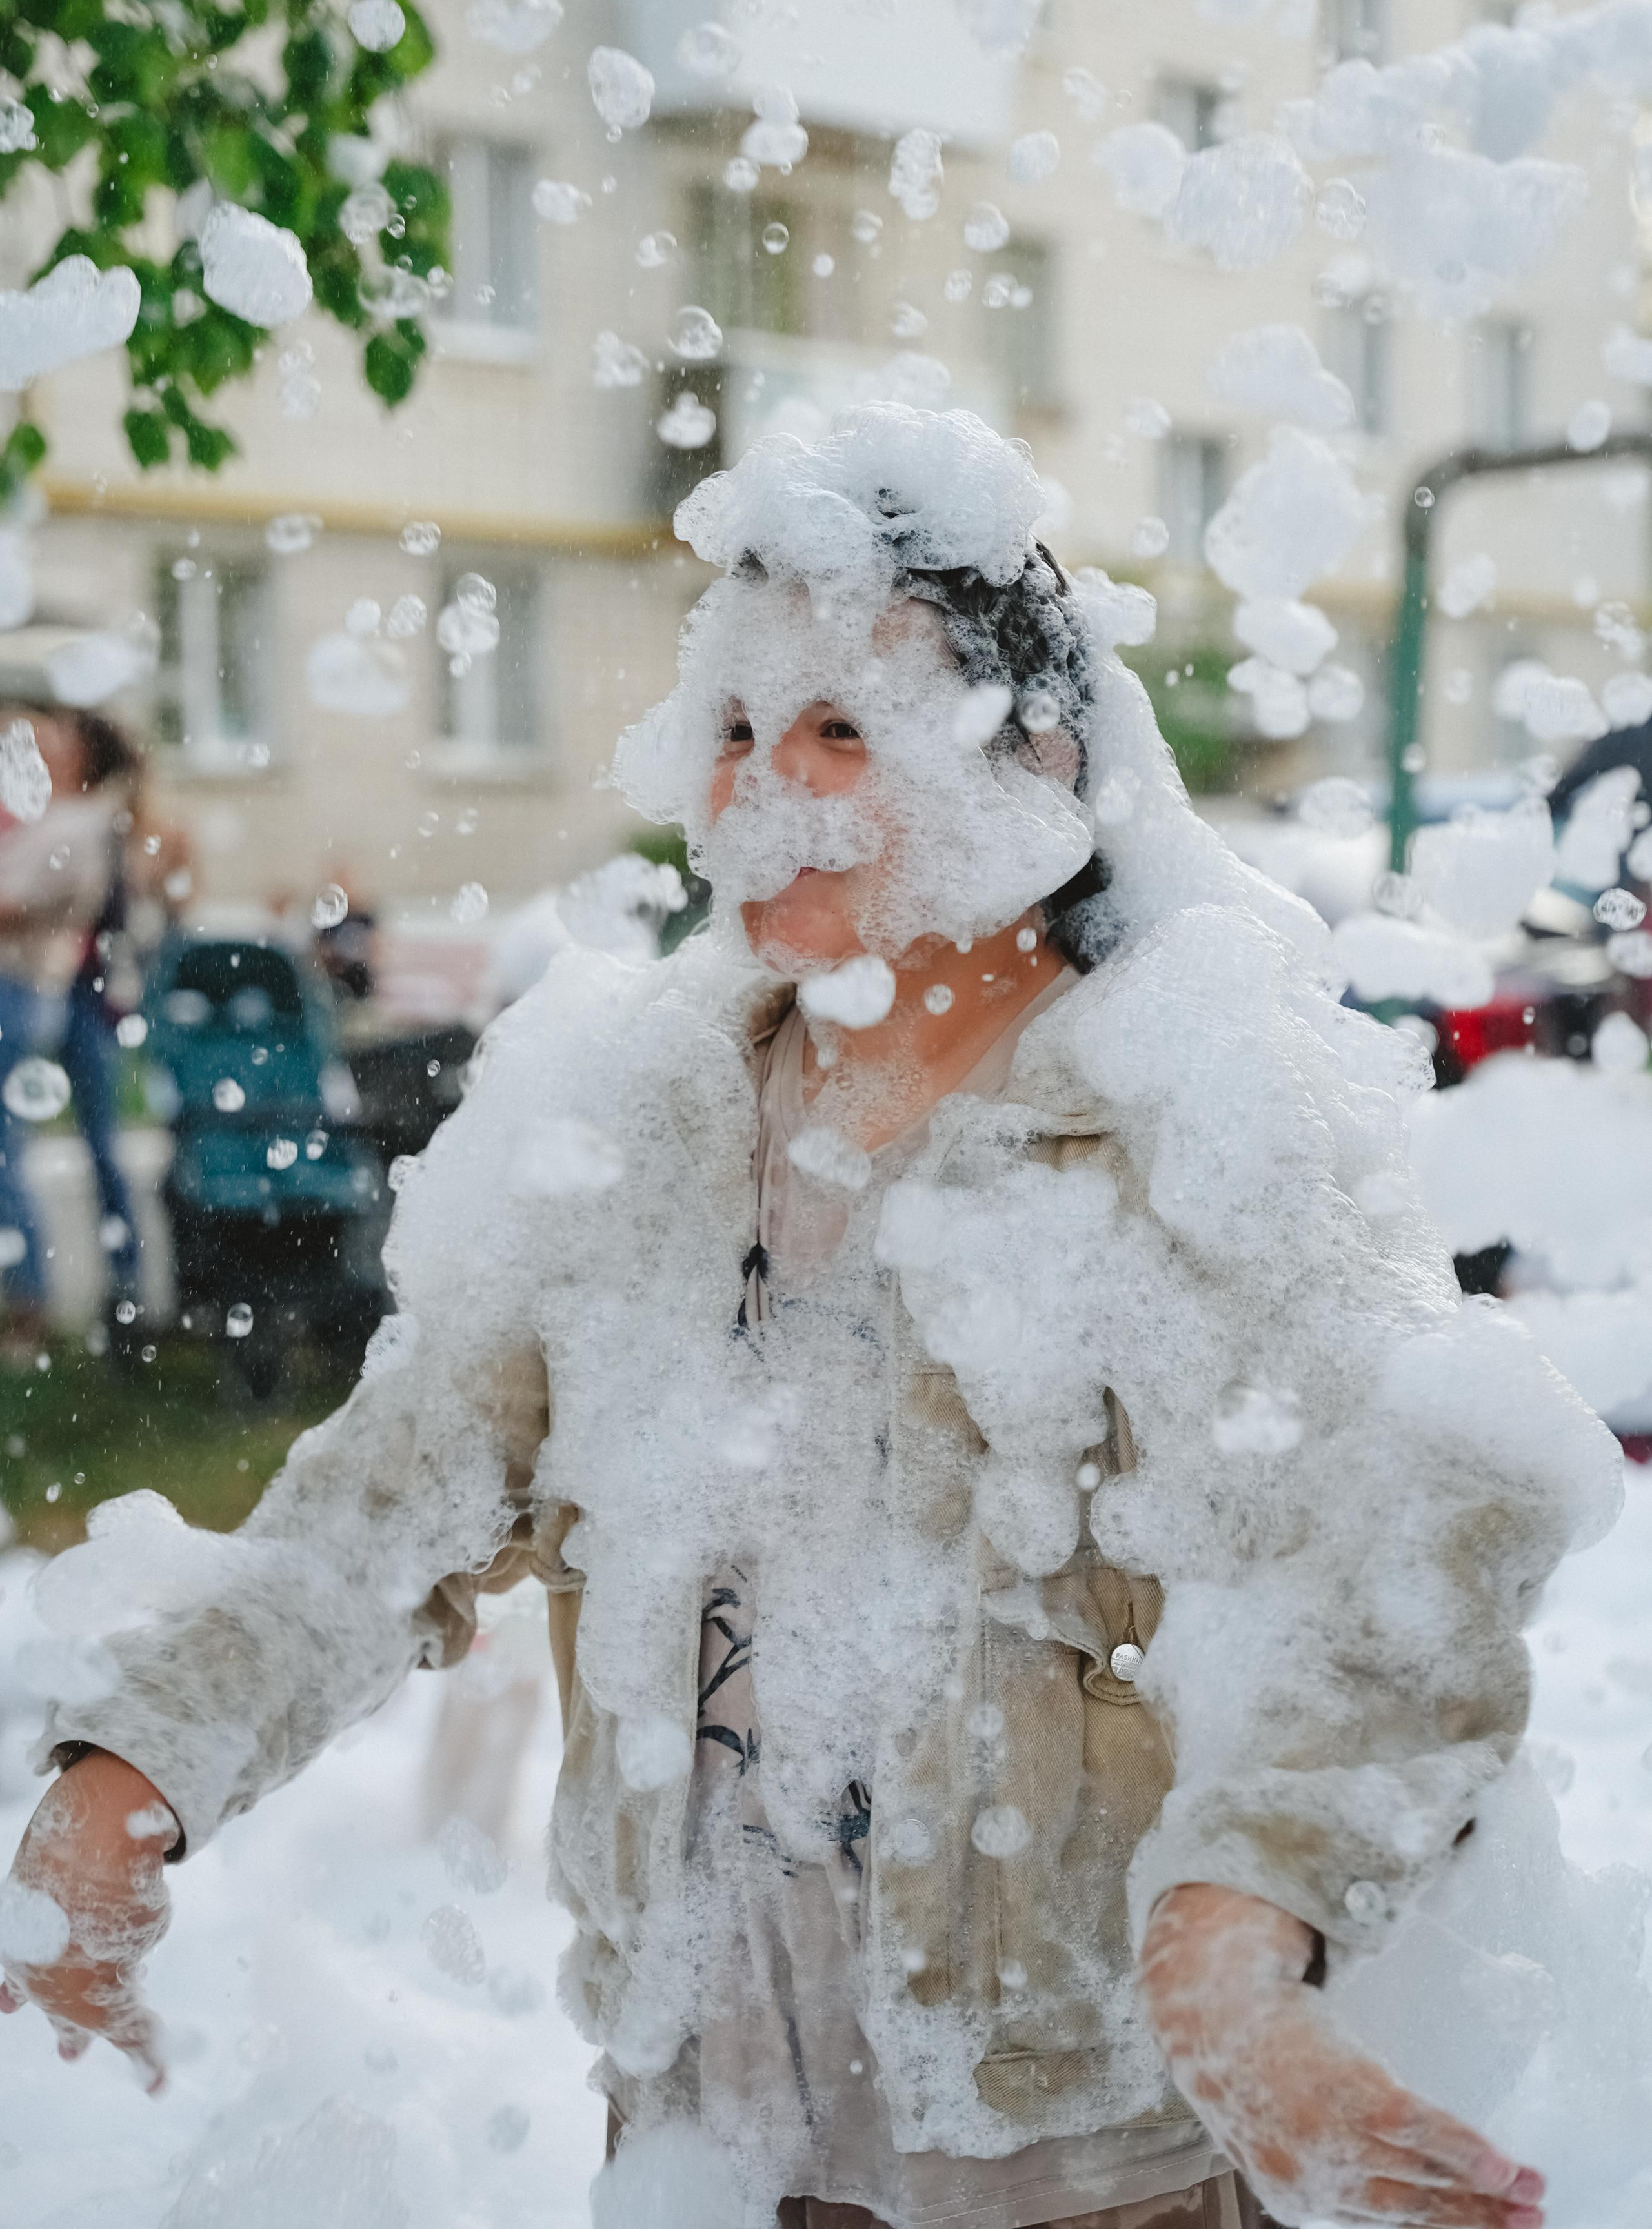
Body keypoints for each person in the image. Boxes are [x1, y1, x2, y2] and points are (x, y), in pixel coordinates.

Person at [0, 408, 1620, 2229]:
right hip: (705, 2122)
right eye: (737, 733)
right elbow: (387, 1500)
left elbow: (1412, 1547)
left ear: (1029, 761)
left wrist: (1237, 1949)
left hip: (1070, 2155)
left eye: (842, 731)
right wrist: (132, 1774)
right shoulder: (634, 1119)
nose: (765, 791)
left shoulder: (1182, 1119)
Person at [0, 703, 126, 1353]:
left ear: (82, 759)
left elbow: (11, 907)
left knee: (5, 1150)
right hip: (26, 990)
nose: (42, 751)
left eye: (59, 744)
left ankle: (31, 1307)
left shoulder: (77, 827)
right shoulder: (50, 819)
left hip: (20, 992)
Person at [55, 712, 146, 1306]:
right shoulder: (87, 820)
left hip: (81, 995)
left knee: (101, 1142)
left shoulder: (91, 825)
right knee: (99, 1141)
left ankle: (126, 1284)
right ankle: (125, 1281)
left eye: (65, 742)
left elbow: (98, 917)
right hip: (76, 993)